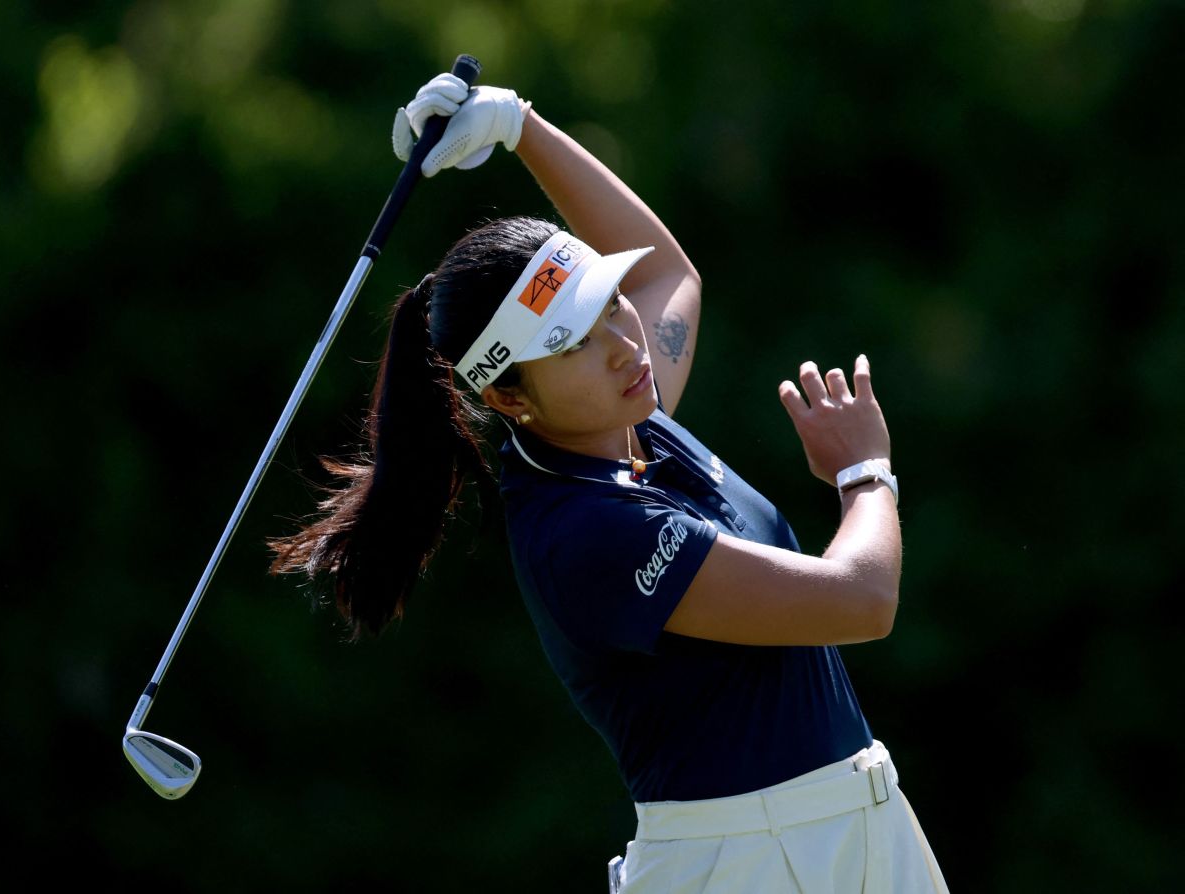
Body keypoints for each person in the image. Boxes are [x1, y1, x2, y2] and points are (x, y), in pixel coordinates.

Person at [270, 72, 949, 894]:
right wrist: (863, 473)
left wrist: (521, 126)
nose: (626, 344)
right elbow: (859, 603)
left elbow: (667, 274)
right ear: (507, 396)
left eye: (609, 306)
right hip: (750, 863)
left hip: (856, 826)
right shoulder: (583, 529)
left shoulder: (627, 419)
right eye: (573, 341)